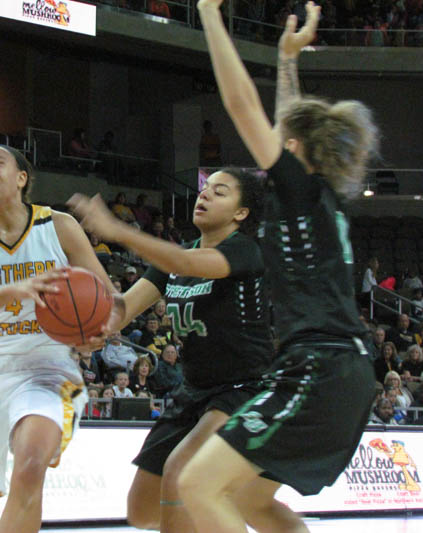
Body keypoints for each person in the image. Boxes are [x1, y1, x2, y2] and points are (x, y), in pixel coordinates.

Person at [173, 3, 378, 532]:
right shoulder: (316, 194)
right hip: (336, 368)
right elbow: (292, 122)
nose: (277, 139)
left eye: (286, 140)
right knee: (250, 502)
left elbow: (243, 106)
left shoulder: (301, 189)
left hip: (321, 366)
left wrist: (211, 17)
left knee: (198, 485)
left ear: (296, 151)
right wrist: (287, 60)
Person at [0, 143, 122, 533]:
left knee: (30, 466)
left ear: (21, 178)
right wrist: (13, 290)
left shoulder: (59, 225)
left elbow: (110, 299)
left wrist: (99, 332)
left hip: (49, 368)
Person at [70, 165, 272, 533]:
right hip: (192, 392)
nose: (205, 194)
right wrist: (87, 327)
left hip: (245, 390)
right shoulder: (180, 257)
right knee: (143, 510)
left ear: (242, 213)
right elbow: (123, 309)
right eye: (205, 188)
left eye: (220, 191)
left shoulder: (246, 250)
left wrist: (119, 230)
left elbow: (184, 263)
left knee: (181, 472)